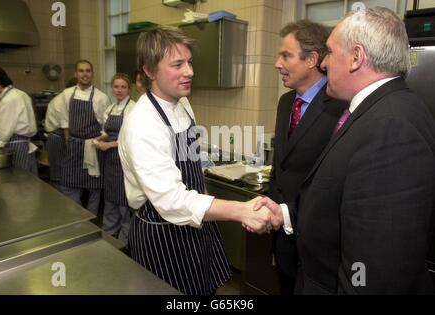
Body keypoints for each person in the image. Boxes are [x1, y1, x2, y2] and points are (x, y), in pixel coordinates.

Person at [255, 7, 435, 294]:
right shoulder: (375, 112)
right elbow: (340, 202)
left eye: (329, 52)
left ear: (356, 58)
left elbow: (374, 269)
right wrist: (287, 215)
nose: (324, 64)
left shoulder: (391, 126)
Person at [118, 26, 273, 295]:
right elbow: (172, 201)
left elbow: (189, 161)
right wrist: (241, 210)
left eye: (189, 62)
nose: (189, 71)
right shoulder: (143, 123)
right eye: (177, 64)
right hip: (162, 235)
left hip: (194, 227)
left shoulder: (183, 104)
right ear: (150, 70)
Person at [268, 20, 348, 295]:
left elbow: (335, 184)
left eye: (286, 56)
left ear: (312, 59)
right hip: (283, 238)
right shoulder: (285, 103)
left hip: (318, 245)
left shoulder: (341, 108)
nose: (278, 64)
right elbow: (280, 164)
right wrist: (271, 207)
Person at [57, 60, 111, 215]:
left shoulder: (101, 97)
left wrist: (98, 143)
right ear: (76, 74)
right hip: (74, 145)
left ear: (92, 74)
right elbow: (64, 119)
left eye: (88, 71)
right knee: (69, 183)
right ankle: (78, 215)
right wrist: (68, 139)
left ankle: (92, 218)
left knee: (94, 187)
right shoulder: (67, 94)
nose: (84, 74)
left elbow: (105, 126)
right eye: (81, 71)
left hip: (93, 147)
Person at [95, 73, 136, 247]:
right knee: (110, 201)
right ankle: (108, 239)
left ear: (129, 89)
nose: (119, 90)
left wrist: (109, 145)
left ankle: (124, 244)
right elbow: (107, 130)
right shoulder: (111, 108)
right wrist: (101, 138)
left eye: (123, 87)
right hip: (109, 162)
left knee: (123, 205)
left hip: (124, 162)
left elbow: (130, 139)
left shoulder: (132, 109)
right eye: (116, 86)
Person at [0, 66, 38, 175]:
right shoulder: (20, 93)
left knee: (19, 182)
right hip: (24, 144)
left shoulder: (8, 100)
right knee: (29, 181)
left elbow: (2, 133)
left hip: (16, 148)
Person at [44, 77, 77, 189]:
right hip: (58, 137)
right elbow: (66, 126)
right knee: (59, 174)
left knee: (68, 173)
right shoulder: (61, 100)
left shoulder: (68, 99)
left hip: (64, 136)